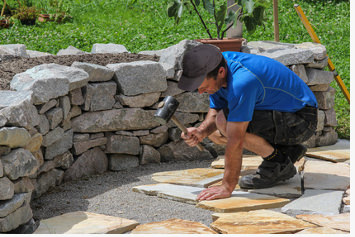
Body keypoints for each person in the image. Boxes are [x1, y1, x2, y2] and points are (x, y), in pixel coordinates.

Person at [178, 44, 318, 201]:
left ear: (221, 73)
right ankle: (286, 151)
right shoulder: (218, 67)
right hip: (282, 113)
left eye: (203, 86)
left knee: (224, 124)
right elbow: (216, 111)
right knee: (216, 132)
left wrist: (227, 186)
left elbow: (235, 139)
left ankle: (279, 163)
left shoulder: (242, 82)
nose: (200, 92)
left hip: (302, 120)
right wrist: (201, 131)